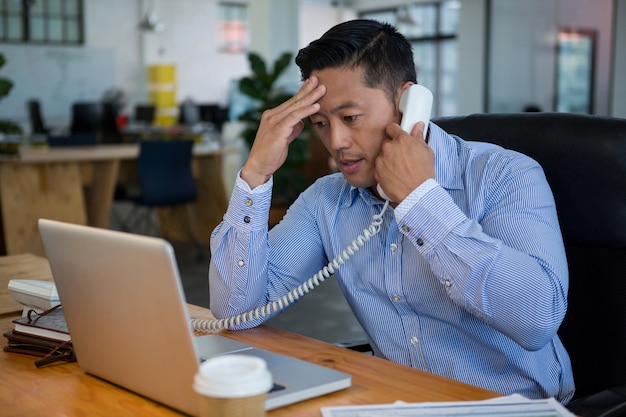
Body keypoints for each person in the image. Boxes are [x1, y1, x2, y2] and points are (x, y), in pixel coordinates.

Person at [209, 19, 574, 403]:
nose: (336, 142)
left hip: (512, 408)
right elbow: (238, 311)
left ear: (407, 103)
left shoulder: (505, 175)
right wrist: (256, 174)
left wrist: (420, 201)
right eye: (319, 123)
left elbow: (537, 320)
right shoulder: (328, 200)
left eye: (350, 118)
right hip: (397, 402)